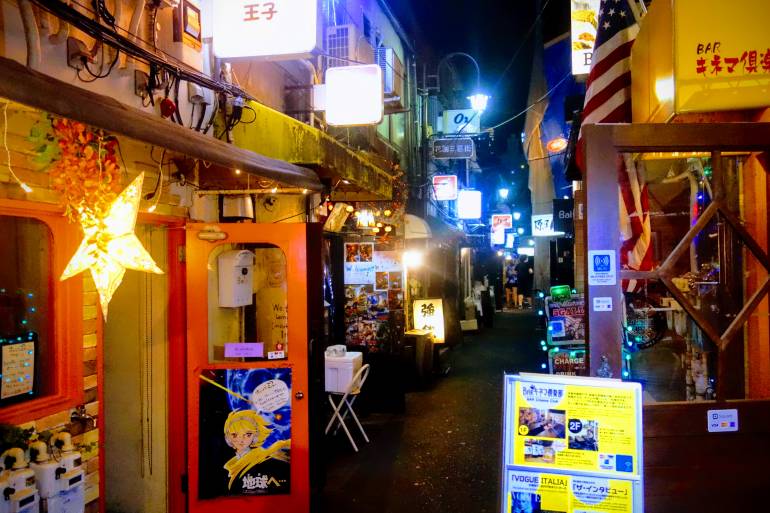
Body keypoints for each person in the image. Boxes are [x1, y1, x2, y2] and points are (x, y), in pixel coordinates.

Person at [223, 409, 291, 494]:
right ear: (228, 437)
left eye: (248, 435)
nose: (241, 440)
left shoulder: (262, 458)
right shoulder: (231, 465)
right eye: (235, 435)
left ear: (255, 436)